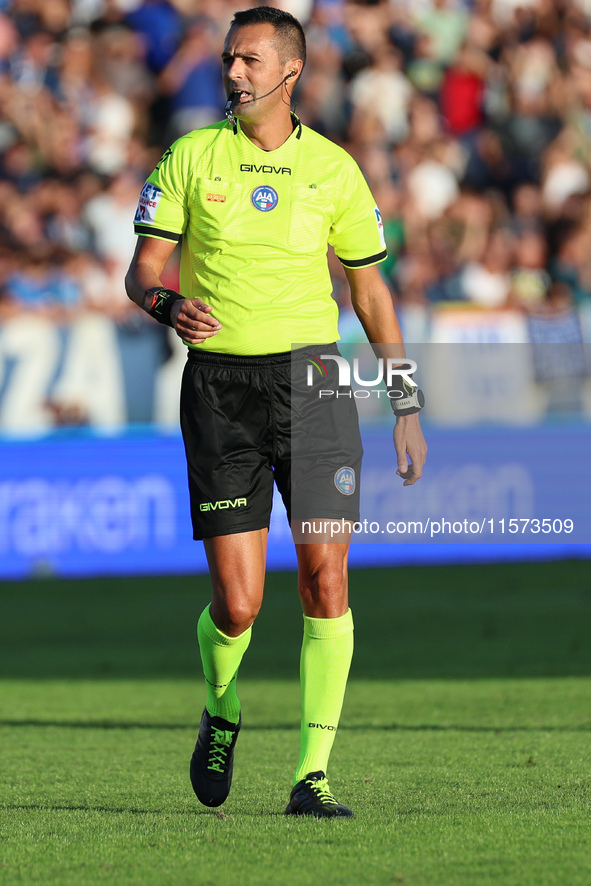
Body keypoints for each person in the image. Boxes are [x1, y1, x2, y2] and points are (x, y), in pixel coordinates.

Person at [125, 5, 426, 819]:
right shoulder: (189, 155)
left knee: (327, 579)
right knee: (240, 604)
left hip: (318, 385)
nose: (232, 72)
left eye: (249, 60)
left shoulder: (334, 169)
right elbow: (142, 270)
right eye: (229, 59)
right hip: (219, 390)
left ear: (290, 71)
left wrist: (404, 398)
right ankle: (221, 708)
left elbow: (368, 289)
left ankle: (311, 777)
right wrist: (164, 303)